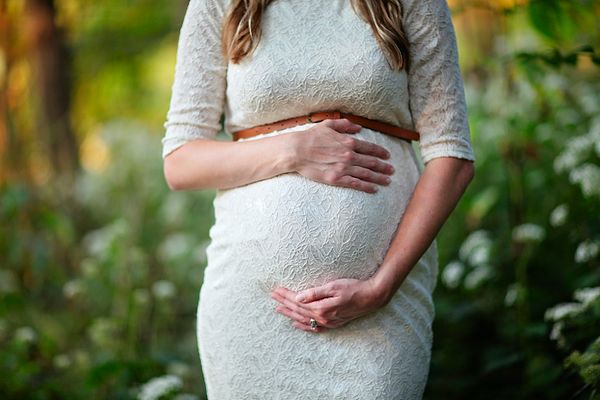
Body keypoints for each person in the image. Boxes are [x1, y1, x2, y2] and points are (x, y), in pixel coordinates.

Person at [161, 0, 475, 398]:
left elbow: (453, 156)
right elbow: (181, 162)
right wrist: (294, 151)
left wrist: (380, 287)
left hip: (382, 311)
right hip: (250, 310)